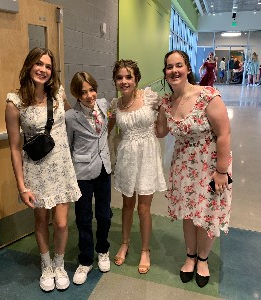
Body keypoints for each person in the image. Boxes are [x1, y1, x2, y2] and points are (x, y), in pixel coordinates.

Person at [5, 47, 81, 292]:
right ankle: (46, 265)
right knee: (41, 219)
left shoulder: (58, 94)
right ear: (29, 65)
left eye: (48, 66)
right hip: (35, 170)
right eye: (39, 64)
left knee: (60, 223)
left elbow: (73, 118)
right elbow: (15, 147)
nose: (43, 70)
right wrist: (21, 185)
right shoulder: (14, 101)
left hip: (61, 168)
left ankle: (59, 265)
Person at [156, 50, 232, 288]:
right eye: (169, 67)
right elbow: (160, 132)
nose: (174, 70)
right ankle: (190, 255)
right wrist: (156, 107)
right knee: (189, 214)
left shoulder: (207, 96)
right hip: (183, 166)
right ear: (165, 73)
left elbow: (224, 134)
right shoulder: (168, 103)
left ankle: (203, 259)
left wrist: (221, 171)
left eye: (179, 65)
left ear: (188, 68)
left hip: (210, 165)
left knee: (207, 214)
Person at [109, 59, 166, 274]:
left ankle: (145, 249)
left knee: (144, 208)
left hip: (147, 156)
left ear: (136, 79)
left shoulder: (149, 97)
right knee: (126, 205)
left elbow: (161, 127)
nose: (124, 81)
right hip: (126, 157)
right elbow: (106, 130)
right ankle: (124, 243)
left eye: (128, 77)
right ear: (115, 80)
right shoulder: (115, 105)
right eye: (120, 77)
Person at [65, 72, 112, 285]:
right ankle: (85, 260)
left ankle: (103, 249)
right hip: (82, 172)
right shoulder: (71, 117)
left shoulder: (104, 104)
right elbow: (68, 145)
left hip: (104, 169)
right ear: (76, 94)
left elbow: (107, 130)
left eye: (91, 89)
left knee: (104, 214)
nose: (89, 95)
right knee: (84, 217)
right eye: (83, 92)